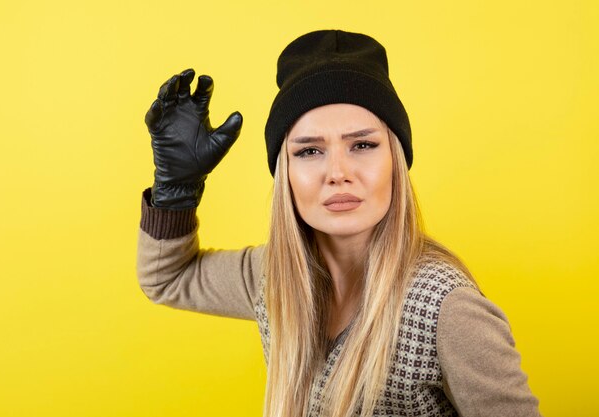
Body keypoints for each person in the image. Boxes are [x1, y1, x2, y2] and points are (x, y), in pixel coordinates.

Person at [136, 29, 541, 417]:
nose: (338, 172)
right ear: (286, 173)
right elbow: (168, 279)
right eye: (310, 151)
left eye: (363, 145)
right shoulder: (274, 278)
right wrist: (176, 191)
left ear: (395, 163)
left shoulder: (449, 312)